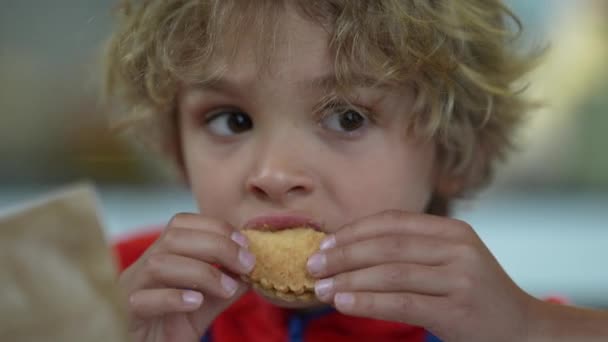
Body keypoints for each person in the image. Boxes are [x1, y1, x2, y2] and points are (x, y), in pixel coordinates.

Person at [103, 1, 608, 341]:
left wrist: (534, 327)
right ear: (176, 144)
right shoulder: (119, 285)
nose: (274, 174)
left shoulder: (495, 321)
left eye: (348, 118)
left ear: (450, 148)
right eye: (231, 120)